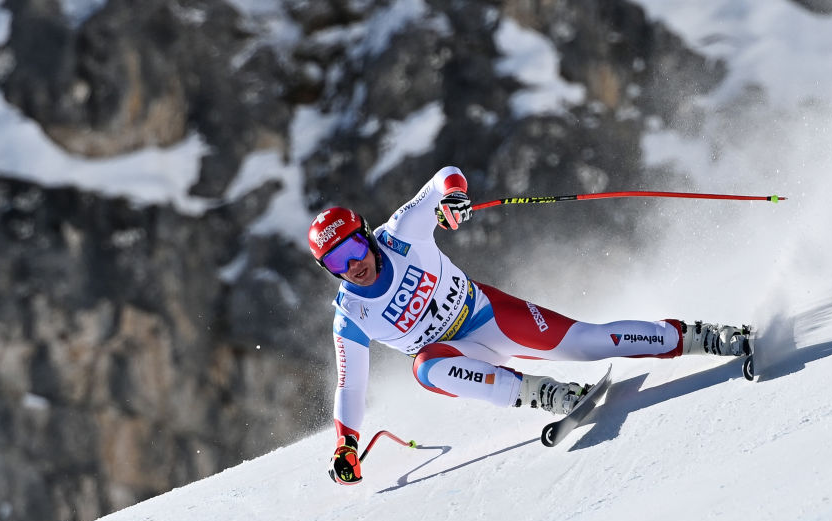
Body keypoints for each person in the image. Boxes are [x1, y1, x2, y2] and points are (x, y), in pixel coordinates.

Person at [309, 166, 749, 484]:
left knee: (589, 342)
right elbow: (351, 385)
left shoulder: (403, 232)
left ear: (365, 235)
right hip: (457, 355)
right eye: (336, 263)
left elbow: (447, 176)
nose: (352, 267)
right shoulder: (350, 315)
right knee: (425, 369)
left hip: (487, 316)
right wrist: (346, 444)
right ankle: (550, 395)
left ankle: (702, 336)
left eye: (352, 250)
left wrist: (452, 199)